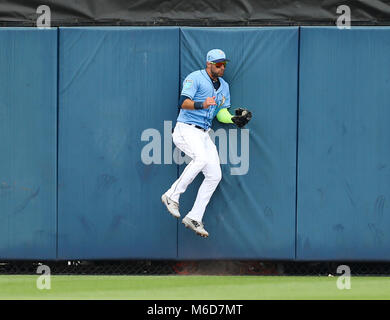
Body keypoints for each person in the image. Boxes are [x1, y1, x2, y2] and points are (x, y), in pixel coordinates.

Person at [161, 49, 251, 238]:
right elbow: (182, 102)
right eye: (218, 64)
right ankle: (172, 195)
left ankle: (194, 216)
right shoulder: (195, 78)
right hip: (186, 128)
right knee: (201, 159)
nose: (222, 67)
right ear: (209, 64)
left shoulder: (224, 86)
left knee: (215, 175)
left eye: (224, 64)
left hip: (203, 133)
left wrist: (233, 119)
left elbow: (221, 113)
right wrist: (202, 104)